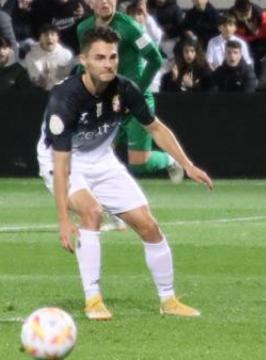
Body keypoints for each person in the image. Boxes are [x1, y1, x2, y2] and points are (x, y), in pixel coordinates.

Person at [36, 26, 213, 320]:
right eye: (100, 57)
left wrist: (187, 164)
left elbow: (155, 128)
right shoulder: (65, 99)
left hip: (102, 159)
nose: (108, 63)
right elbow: (62, 163)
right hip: (63, 161)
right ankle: (93, 300)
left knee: (149, 225)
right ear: (84, 60)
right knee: (91, 212)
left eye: (113, 57)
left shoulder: (124, 89)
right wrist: (64, 221)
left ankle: (168, 300)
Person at [77, 0, 182, 184]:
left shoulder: (130, 27)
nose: (104, 2)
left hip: (135, 100)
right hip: (107, 101)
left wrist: (134, 92)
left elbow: (155, 59)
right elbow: (86, 63)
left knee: (140, 164)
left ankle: (169, 160)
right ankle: (102, 206)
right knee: (95, 158)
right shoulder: (83, 28)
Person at [23, 24, 74, 90]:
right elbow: (33, 78)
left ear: (57, 37)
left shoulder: (66, 55)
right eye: (46, 35)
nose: (49, 38)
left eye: (52, 35)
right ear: (40, 38)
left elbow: (65, 79)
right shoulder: (31, 56)